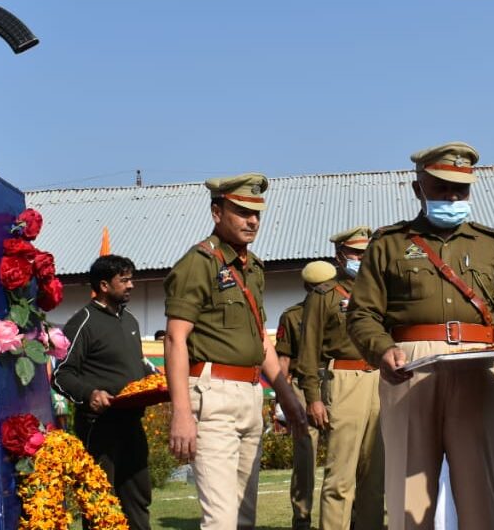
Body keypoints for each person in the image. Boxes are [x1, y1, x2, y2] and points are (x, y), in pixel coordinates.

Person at [345, 142, 494, 530]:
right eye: (441, 188)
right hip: (410, 366)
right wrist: (382, 349)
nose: (452, 197)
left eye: (461, 189)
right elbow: (362, 314)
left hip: (478, 364)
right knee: (409, 497)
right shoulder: (389, 244)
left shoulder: (491, 244)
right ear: (418, 187)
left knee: (480, 495)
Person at [162, 173, 308, 530]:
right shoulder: (199, 263)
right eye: (242, 211)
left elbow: (261, 339)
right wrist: (181, 412)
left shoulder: (253, 268)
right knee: (221, 520)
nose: (252, 220)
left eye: (256, 213)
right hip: (211, 396)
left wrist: (287, 396)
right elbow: (174, 339)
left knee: (244, 516)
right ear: (216, 212)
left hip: (250, 395)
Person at [52, 255, 153, 530]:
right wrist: (90, 393)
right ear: (104, 285)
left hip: (132, 423)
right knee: (100, 502)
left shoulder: (130, 321)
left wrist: (155, 382)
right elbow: (61, 375)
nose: (131, 285)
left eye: (131, 278)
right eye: (125, 280)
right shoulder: (82, 323)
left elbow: (137, 369)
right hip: (100, 427)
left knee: (139, 496)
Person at [296, 226, 385, 530]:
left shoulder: (382, 291)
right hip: (344, 378)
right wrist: (313, 398)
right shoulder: (324, 295)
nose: (362, 259)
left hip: (380, 380)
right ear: (339, 256)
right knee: (341, 476)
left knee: (376, 477)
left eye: (366, 253)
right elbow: (307, 351)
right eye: (356, 253)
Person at [275, 261, 337, 530]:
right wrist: (282, 396)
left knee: (328, 455)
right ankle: (302, 519)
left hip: (335, 381)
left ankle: (328, 517)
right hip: (307, 385)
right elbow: (284, 360)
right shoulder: (292, 316)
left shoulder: (348, 308)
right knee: (306, 458)